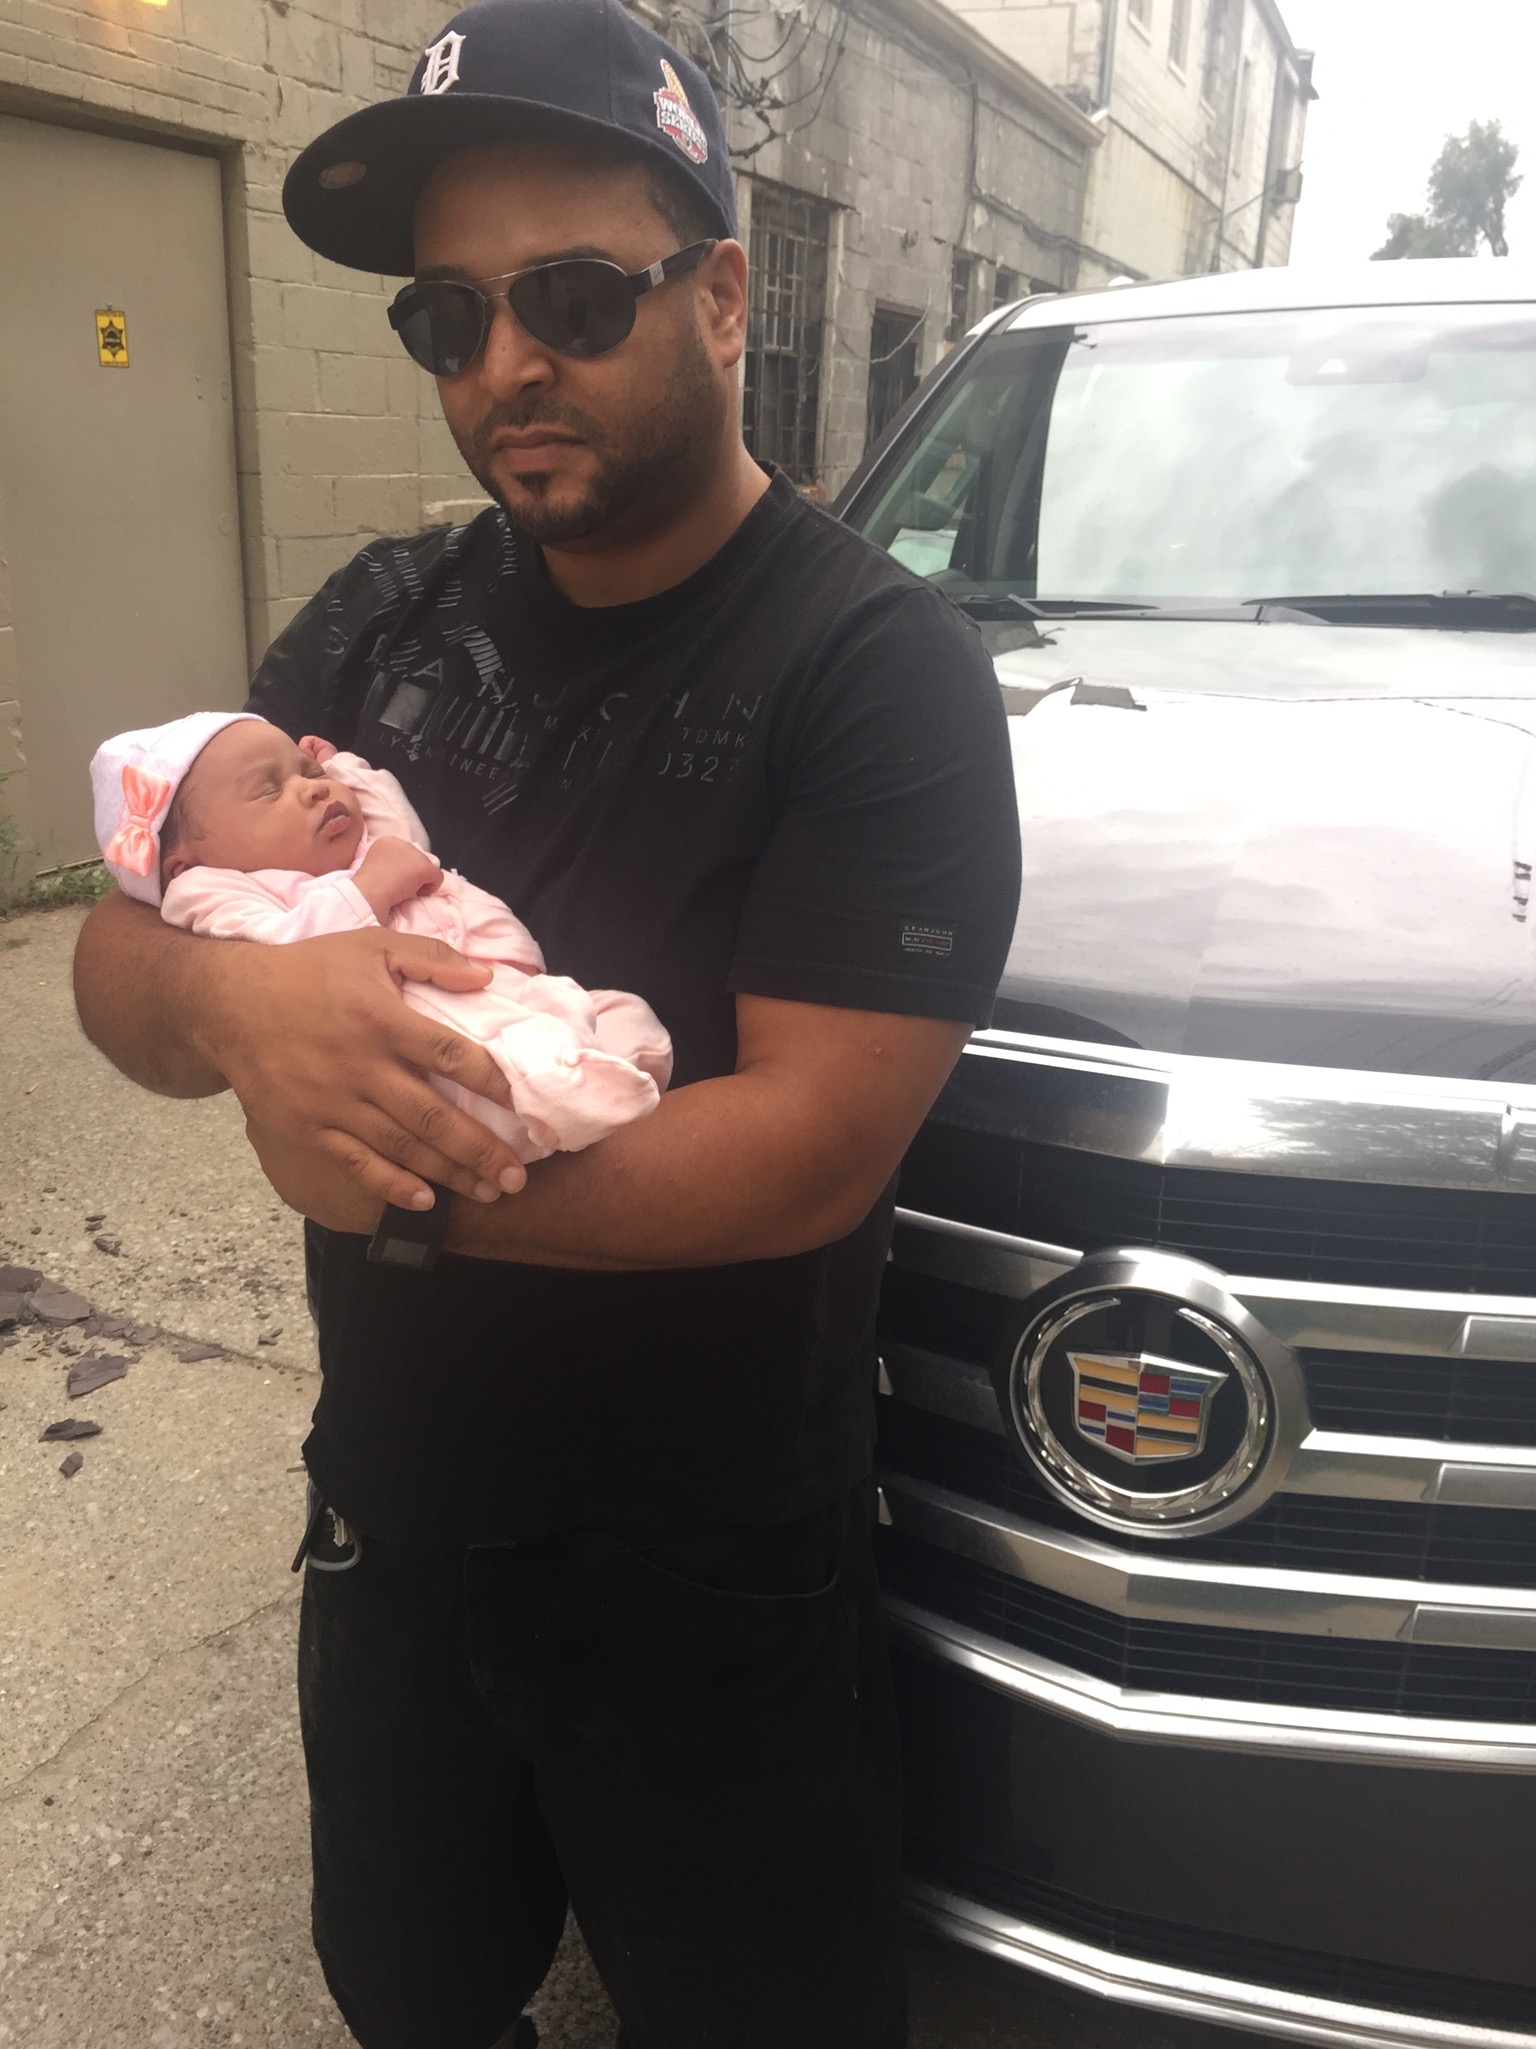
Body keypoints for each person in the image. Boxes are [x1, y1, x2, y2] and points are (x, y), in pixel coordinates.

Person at [72, 2, 1023, 2044]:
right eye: (450, 316)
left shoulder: (874, 669)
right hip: (399, 1508)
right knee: (412, 1989)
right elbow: (119, 954)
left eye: (575, 298)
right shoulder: (376, 617)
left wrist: (378, 1163)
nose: (506, 362)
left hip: (712, 1556)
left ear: (725, 297)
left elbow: (810, 1146)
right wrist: (238, 1007)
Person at [90, 710, 671, 1159]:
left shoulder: (362, 845)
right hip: (425, 1016)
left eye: (309, 772)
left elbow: (400, 826)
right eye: (269, 790)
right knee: (493, 1059)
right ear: (185, 864)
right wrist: (369, 889)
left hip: (501, 982)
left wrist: (345, 770)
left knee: (620, 1014)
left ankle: (598, 1066)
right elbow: (286, 955)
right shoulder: (215, 891)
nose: (313, 789)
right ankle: (554, 1103)